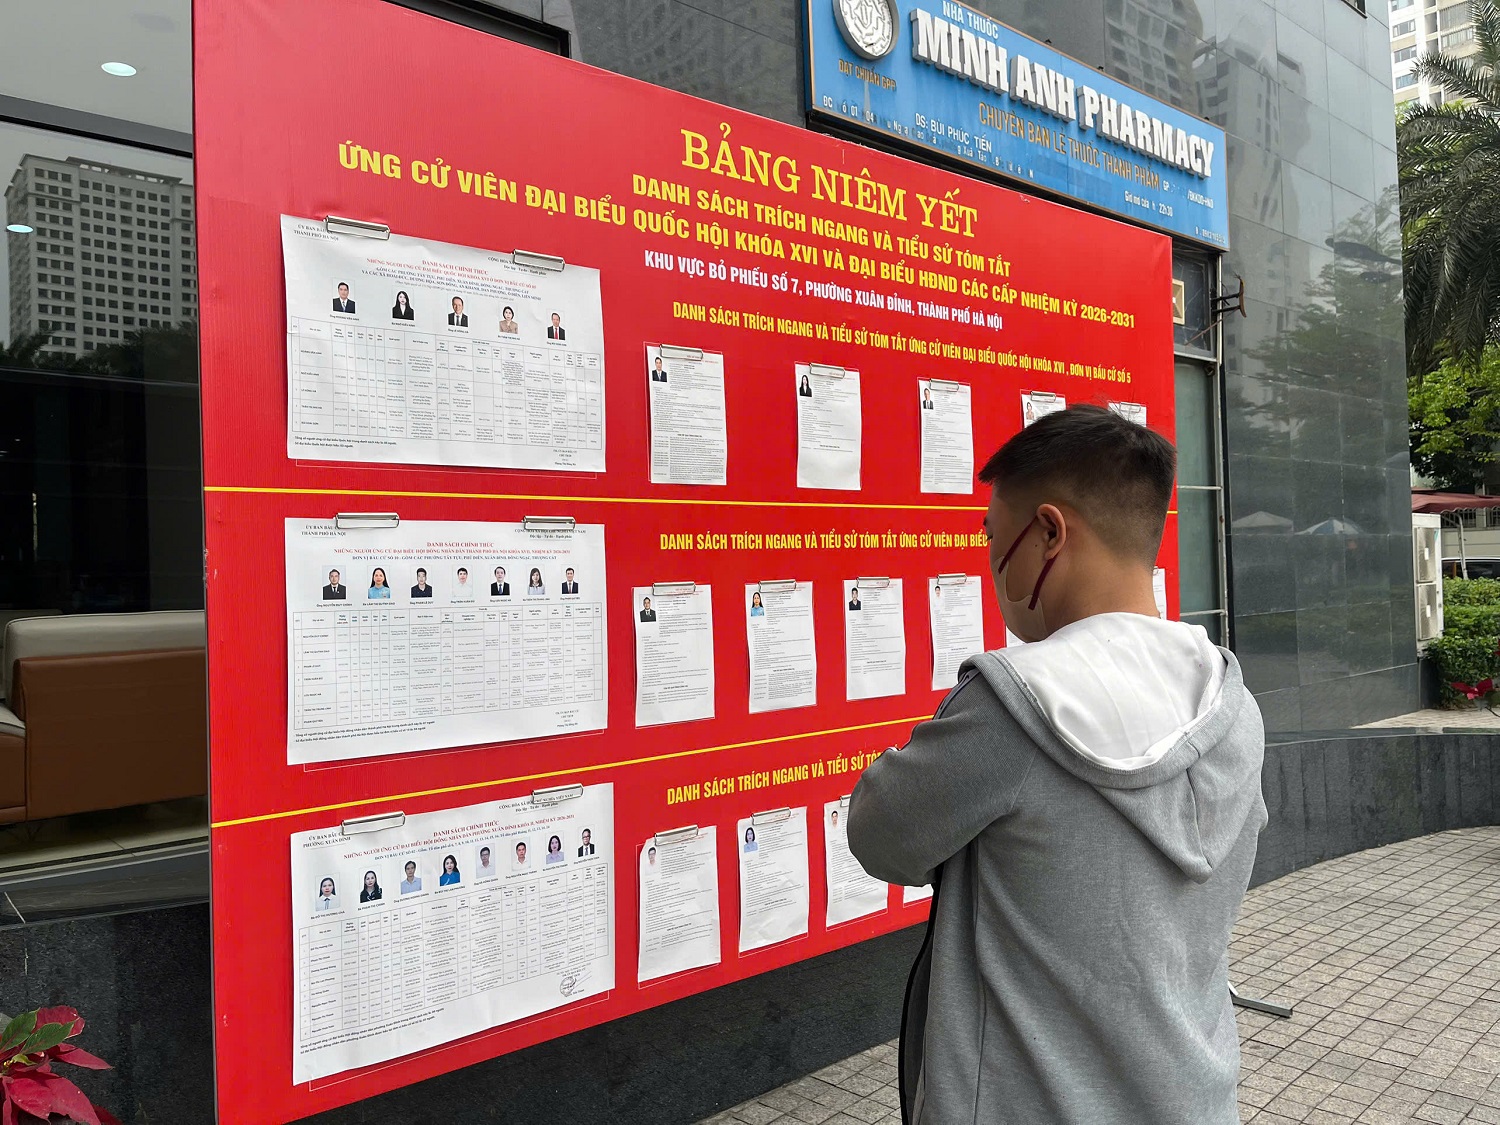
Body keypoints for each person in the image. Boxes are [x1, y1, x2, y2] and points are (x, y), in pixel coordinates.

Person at [847, 405, 1266, 1125]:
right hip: (1197, 1099)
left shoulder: (1012, 707)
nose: (990, 561)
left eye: (993, 536)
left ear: (1048, 532)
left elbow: (879, 835)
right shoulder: (1232, 700)